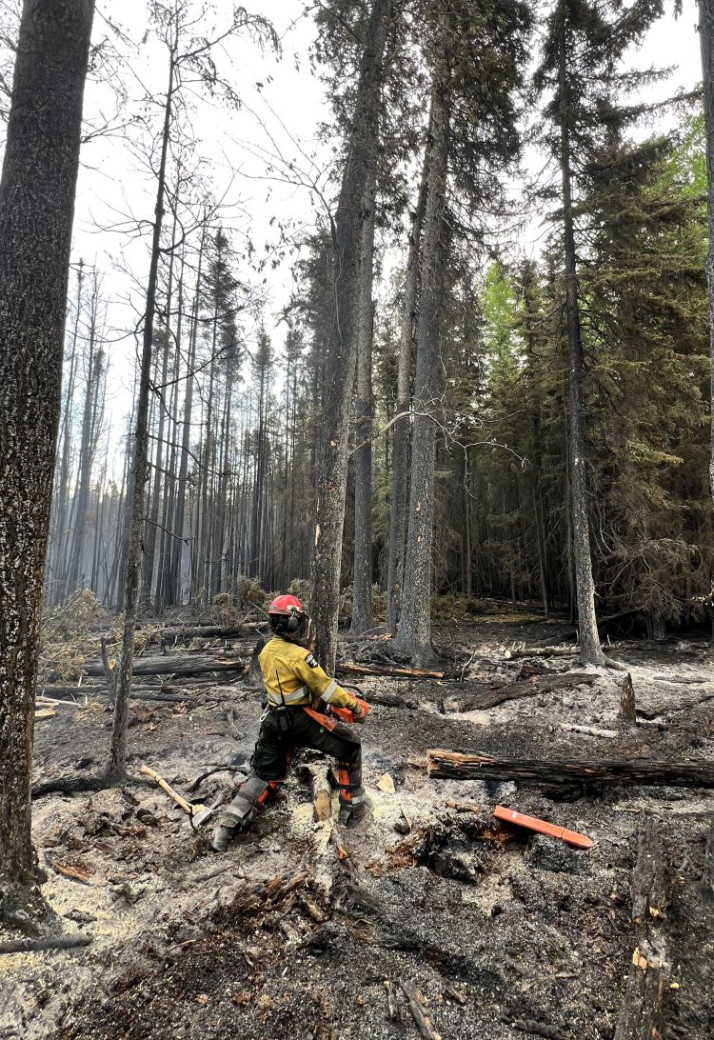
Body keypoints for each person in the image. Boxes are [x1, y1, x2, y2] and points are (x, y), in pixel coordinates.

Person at [212, 594, 370, 852]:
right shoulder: (299, 656)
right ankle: (353, 809)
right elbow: (326, 688)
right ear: (294, 624)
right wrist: (353, 706)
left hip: (273, 720)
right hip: (299, 721)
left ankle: (227, 828)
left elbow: (289, 689)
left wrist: (324, 706)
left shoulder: (266, 652)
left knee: (264, 775)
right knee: (350, 746)